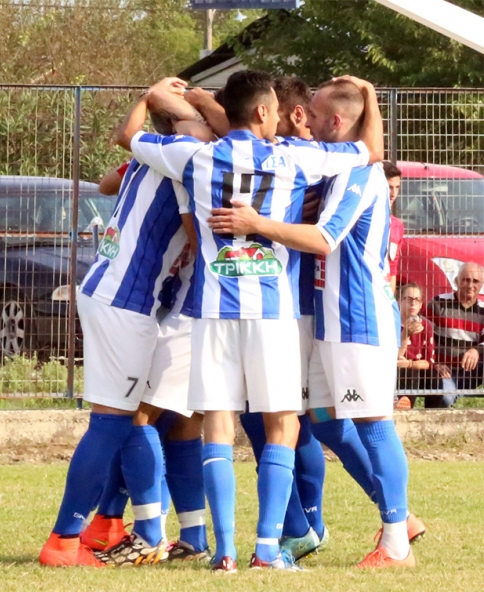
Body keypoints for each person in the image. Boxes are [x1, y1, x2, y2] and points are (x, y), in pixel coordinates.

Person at [132, 70, 382, 571]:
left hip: (212, 309)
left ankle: (224, 551)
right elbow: (371, 150)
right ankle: (266, 548)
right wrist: (370, 96)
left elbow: (131, 139)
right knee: (282, 424)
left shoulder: (196, 157)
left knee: (218, 425)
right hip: (272, 312)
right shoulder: (295, 157)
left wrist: (154, 98)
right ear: (265, 111)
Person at [211, 76, 418, 568]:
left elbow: (325, 240)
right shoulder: (335, 167)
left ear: (337, 122)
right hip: (329, 319)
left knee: (374, 423)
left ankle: (397, 539)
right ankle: (390, 519)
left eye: (317, 115)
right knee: (324, 420)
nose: (306, 121)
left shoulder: (359, 175)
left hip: (358, 317)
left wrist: (257, 224)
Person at [40, 77, 216, 569]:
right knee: (116, 422)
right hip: (128, 301)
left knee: (137, 418)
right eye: (203, 118)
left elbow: (109, 180)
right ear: (184, 124)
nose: (212, 126)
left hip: (115, 294)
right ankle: (66, 541)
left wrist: (149, 101)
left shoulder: (157, 151)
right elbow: (198, 239)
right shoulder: (187, 153)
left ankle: (110, 525)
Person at [235, 76, 332, 563]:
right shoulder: (297, 160)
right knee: (291, 420)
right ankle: (307, 523)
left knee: (271, 418)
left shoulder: (298, 156)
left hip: (290, 307)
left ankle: (300, 524)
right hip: (289, 305)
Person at [427, 262, 484, 408]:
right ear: (456, 281)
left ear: (481, 285)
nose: (470, 285)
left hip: (471, 372)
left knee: (446, 395)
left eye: (475, 281)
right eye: (466, 279)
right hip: (442, 369)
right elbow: (423, 337)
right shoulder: (438, 303)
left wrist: (476, 350)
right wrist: (434, 363)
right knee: (445, 397)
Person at [396, 283, 438, 409]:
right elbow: (395, 357)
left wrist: (410, 363)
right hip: (396, 370)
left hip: (416, 369)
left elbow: (429, 362)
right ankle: (405, 408)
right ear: (399, 301)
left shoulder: (426, 326)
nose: (413, 303)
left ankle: (433, 414)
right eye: (408, 299)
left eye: (417, 300)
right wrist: (405, 335)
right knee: (408, 373)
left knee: (435, 378)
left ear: (421, 305)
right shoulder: (391, 323)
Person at [384, 161, 404, 291]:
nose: (393, 193)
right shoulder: (363, 219)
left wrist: (390, 298)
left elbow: (393, 267)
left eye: (397, 187)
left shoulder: (397, 226)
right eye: (389, 187)